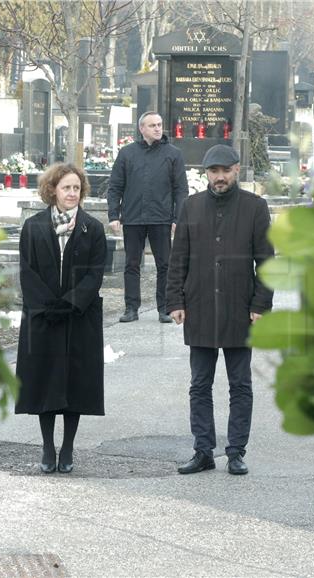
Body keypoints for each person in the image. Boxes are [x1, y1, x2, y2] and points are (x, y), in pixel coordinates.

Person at [166, 144, 274, 475]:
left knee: (240, 384)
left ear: (236, 171)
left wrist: (260, 304)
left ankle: (236, 451)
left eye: (226, 170)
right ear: (206, 174)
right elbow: (178, 257)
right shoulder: (191, 206)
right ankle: (203, 450)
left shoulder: (255, 207)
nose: (220, 177)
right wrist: (174, 300)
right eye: (214, 171)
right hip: (199, 308)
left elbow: (266, 262)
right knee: (200, 384)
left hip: (240, 309)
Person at [14, 163, 107, 474]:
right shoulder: (34, 227)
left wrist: (71, 303)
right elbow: (27, 271)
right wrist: (46, 305)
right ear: (52, 189)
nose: (72, 193)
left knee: (75, 384)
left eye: (77, 188)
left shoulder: (91, 228)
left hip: (78, 318)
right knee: (45, 381)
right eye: (66, 187)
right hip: (43, 316)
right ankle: (47, 446)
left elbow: (95, 273)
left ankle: (67, 447)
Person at [107, 111, 188, 324]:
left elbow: (181, 190)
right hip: (133, 218)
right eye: (152, 125)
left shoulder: (173, 154)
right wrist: (114, 214)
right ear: (141, 129)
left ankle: (164, 308)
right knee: (132, 265)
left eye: (160, 124)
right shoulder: (127, 153)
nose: (157, 128)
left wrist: (177, 219)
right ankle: (131, 308)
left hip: (161, 218)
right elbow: (115, 186)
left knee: (165, 265)